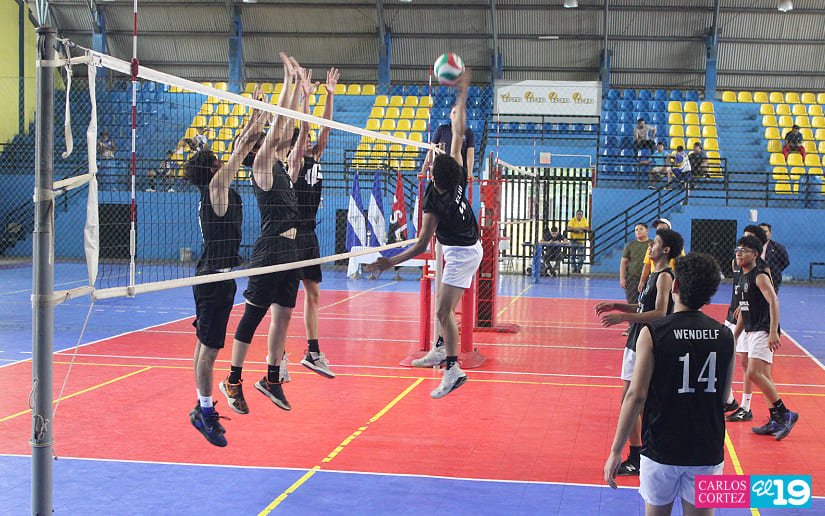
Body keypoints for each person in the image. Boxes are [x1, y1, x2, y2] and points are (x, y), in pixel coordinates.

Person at [366, 70, 479, 399]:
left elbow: (419, 245)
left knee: (444, 312)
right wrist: (461, 97)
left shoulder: (434, 205)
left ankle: (453, 370)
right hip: (463, 247)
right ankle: (440, 348)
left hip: (461, 253)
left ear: (433, 176)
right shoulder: (457, 173)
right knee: (444, 309)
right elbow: (458, 135)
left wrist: (389, 262)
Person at [604, 253, 735, 516]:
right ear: (710, 295)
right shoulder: (725, 335)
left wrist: (616, 451)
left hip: (662, 447)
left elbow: (635, 396)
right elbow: (724, 398)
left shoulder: (653, 332)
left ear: (675, 286)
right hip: (707, 448)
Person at [220, 53, 308, 414]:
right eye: (269, 138)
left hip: (292, 252)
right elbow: (280, 125)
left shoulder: (283, 166)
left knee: (284, 315)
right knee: (253, 316)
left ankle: (271, 379)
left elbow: (288, 127)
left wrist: (301, 92)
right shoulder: (261, 165)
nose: (277, 138)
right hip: (270, 251)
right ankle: (233, 379)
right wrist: (288, 83)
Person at [185, 90, 268, 447]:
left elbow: (241, 145)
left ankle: (200, 407)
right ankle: (205, 413)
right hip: (214, 279)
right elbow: (242, 148)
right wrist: (259, 113)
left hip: (219, 276)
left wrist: (255, 116)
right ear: (212, 169)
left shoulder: (218, 187)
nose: (225, 161)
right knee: (209, 351)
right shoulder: (217, 186)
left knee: (204, 346)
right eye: (219, 160)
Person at [595, 228, 683, 476]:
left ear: (666, 250)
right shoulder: (654, 275)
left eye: (655, 243)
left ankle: (637, 456)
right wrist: (618, 305)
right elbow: (644, 306)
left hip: (647, 343)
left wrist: (623, 317)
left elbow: (660, 313)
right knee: (637, 403)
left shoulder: (665, 277)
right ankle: (644, 453)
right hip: (636, 341)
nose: (650, 246)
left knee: (631, 401)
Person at [293, 67, 340, 379]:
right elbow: (307, 126)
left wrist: (329, 95)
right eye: (306, 137)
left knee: (313, 294)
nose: (311, 140)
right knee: (281, 300)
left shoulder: (316, 157)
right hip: (291, 235)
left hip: (309, 235)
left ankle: (312, 351)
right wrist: (306, 98)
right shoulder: (294, 161)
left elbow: (325, 128)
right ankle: (276, 356)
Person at [732, 235, 799, 440]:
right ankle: (775, 421)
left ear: (755, 254)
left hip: (763, 329)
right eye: (737, 250)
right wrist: (734, 336)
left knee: (753, 372)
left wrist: (773, 331)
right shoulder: (742, 277)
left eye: (744, 250)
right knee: (763, 375)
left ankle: (785, 414)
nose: (739, 253)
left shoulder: (759, 276)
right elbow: (744, 310)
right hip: (752, 329)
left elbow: (774, 301)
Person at [724, 225, 771, 423]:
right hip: (734, 314)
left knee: (748, 365)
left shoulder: (762, 270)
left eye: (748, 241)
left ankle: (746, 406)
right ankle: (728, 400)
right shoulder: (737, 262)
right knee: (726, 357)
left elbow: (766, 298)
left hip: (750, 320)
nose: (741, 247)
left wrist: (745, 306)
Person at [420, 105, 475, 178]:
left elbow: (470, 154)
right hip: (443, 170)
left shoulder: (469, 132)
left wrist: (470, 172)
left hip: (459, 171)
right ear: (450, 115)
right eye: (454, 112)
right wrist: (423, 170)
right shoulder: (441, 130)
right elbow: (431, 151)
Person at [619, 223, 651, 335]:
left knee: (648, 304)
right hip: (632, 278)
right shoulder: (630, 245)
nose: (638, 231)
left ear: (647, 230)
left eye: (641, 229)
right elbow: (623, 262)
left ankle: (647, 327)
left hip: (649, 280)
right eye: (636, 229)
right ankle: (632, 328)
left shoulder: (652, 244)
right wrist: (622, 278)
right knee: (631, 304)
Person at [637, 218, 684, 293]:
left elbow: (680, 265)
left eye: (663, 229)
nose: (660, 231)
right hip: (654, 278)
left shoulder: (676, 247)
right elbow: (647, 265)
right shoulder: (652, 247)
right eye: (658, 229)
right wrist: (642, 281)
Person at [759, 223, 790, 292]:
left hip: (772, 279)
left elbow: (785, 262)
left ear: (770, 233)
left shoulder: (778, 247)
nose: (762, 234)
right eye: (760, 231)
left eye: (765, 231)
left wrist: (775, 269)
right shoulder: (752, 247)